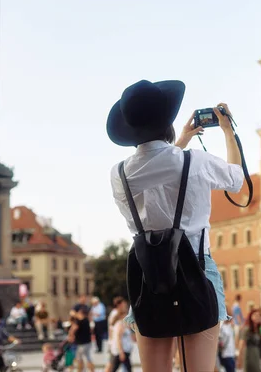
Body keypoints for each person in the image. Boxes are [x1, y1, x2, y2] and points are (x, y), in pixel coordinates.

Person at [108, 80, 242, 371]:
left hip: (150, 276)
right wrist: (229, 131)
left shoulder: (118, 175)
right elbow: (236, 179)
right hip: (197, 269)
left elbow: (158, 170)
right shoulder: (195, 161)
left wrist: (180, 141)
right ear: (167, 122)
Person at [109, 298, 134, 372]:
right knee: (117, 368)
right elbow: (118, 338)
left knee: (117, 368)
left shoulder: (124, 324)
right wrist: (121, 352)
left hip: (124, 350)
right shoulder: (120, 324)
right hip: (121, 351)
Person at [73, 308, 95, 372]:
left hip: (81, 344)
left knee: (79, 359)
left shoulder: (79, 321)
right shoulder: (87, 321)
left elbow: (74, 329)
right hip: (88, 343)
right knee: (88, 358)